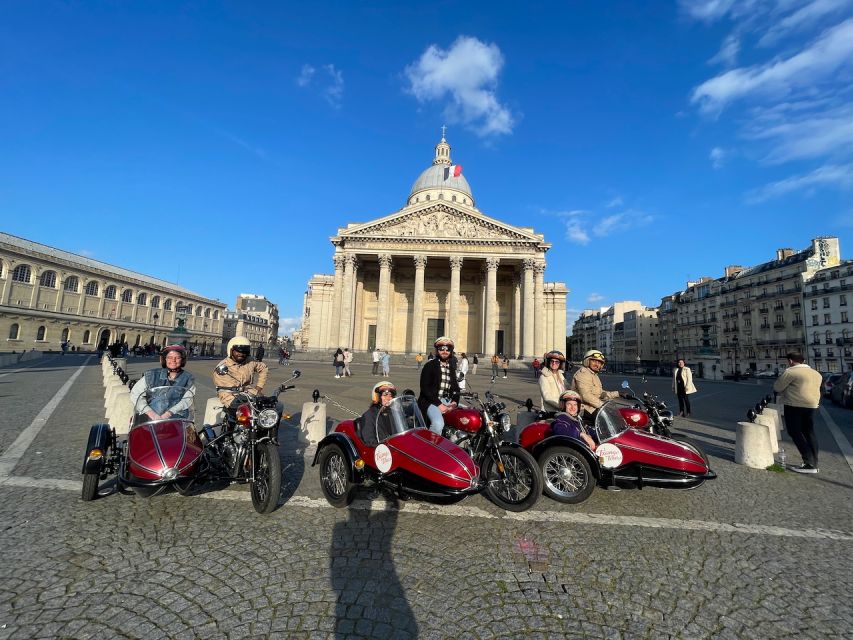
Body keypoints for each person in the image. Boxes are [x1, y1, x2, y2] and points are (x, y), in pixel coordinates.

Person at [773, 352, 823, 473]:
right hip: (812, 405)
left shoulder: (791, 372)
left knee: (794, 432)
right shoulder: (816, 373)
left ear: (790, 361)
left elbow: (777, 387)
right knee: (809, 432)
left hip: (794, 405)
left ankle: (809, 462)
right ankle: (814, 462)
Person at [129, 345, 196, 421]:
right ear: (164, 359)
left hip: (176, 419)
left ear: (182, 360)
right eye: (170, 357)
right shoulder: (151, 375)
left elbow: (187, 399)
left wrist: (169, 413)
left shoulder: (188, 378)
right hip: (150, 419)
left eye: (177, 358)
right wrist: (150, 413)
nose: (173, 360)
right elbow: (136, 394)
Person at [418, 336, 460, 435]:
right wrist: (439, 404)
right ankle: (430, 447)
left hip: (447, 400)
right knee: (438, 424)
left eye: (448, 349)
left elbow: (456, 388)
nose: (444, 351)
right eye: (441, 349)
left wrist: (455, 402)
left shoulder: (451, 367)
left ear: (451, 351)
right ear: (437, 350)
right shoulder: (430, 365)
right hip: (431, 402)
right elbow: (425, 388)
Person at [213, 336, 269, 410]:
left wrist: (259, 387)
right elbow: (229, 390)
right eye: (238, 351)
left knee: (271, 406)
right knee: (242, 412)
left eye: (244, 352)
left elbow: (263, 368)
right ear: (231, 350)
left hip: (249, 393)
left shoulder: (250, 361)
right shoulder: (222, 367)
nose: (241, 354)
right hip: (230, 396)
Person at [571, 349, 624, 420]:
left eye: (599, 362)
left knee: (619, 414)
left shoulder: (593, 375)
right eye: (594, 361)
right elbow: (586, 396)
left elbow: (600, 393)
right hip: (584, 408)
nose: (597, 364)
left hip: (593, 407)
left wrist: (618, 394)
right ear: (587, 361)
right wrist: (602, 405)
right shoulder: (583, 374)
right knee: (611, 419)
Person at [360, 381, 397, 447]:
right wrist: (383, 447)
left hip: (396, 447)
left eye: (390, 395)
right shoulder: (369, 415)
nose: (388, 398)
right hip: (381, 452)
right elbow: (369, 440)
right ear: (377, 397)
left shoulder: (394, 413)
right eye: (385, 395)